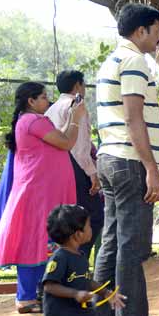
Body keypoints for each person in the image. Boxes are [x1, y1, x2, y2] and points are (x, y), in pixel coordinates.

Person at [93, 3, 159, 316]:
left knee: (111, 244)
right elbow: (133, 119)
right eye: (158, 31)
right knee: (129, 247)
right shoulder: (133, 62)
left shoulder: (110, 61)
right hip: (129, 163)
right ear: (141, 30)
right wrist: (151, 170)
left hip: (110, 159)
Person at [0, 82, 81, 313]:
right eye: (42, 97)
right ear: (30, 101)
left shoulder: (31, 121)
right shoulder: (32, 121)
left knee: (41, 242)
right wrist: (76, 118)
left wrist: (71, 119)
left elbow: (61, 141)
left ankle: (34, 296)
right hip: (37, 195)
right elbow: (67, 142)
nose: (46, 101)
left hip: (41, 193)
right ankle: (27, 298)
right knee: (33, 243)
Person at [46, 70, 104, 262]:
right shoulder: (76, 105)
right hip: (75, 167)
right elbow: (80, 145)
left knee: (66, 216)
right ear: (78, 85)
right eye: (84, 84)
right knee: (92, 216)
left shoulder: (51, 109)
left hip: (55, 169)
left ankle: (66, 261)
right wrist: (92, 173)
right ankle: (78, 261)